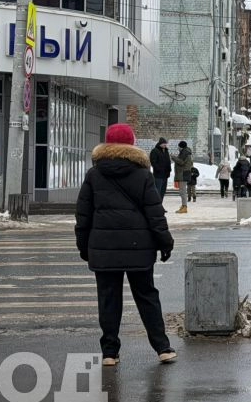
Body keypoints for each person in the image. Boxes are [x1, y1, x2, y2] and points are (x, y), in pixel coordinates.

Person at [74, 123, 177, 367]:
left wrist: (83, 246)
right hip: (138, 246)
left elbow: (83, 215)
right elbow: (155, 213)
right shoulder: (142, 175)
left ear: (107, 145)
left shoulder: (94, 174)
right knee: (146, 295)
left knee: (108, 298)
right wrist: (165, 242)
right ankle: (162, 347)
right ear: (132, 145)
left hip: (103, 247)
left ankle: (110, 352)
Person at [171, 140, 194, 213]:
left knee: (182, 191)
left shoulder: (185, 152)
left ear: (181, 147)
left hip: (183, 174)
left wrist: (173, 157)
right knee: (182, 191)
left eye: (179, 146)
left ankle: (184, 207)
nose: (178, 148)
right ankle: (183, 205)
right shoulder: (186, 152)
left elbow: (181, 162)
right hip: (184, 173)